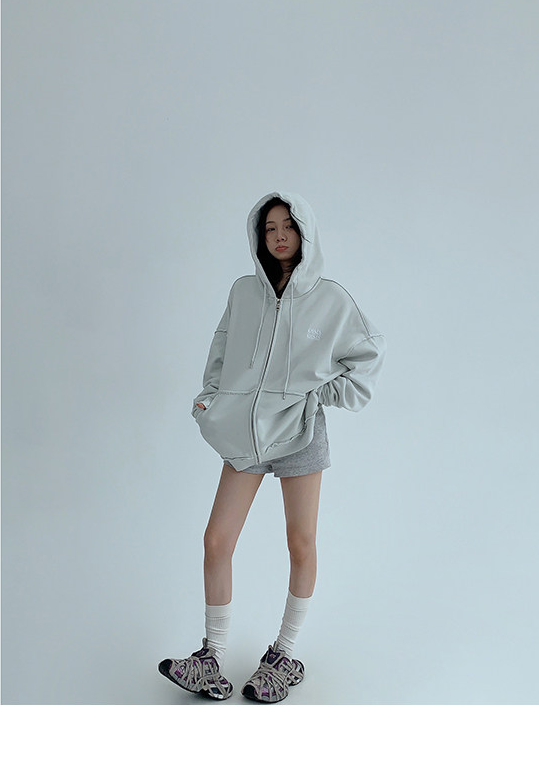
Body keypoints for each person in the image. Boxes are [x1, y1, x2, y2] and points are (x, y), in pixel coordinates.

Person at [158, 191, 386, 702]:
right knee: (216, 540)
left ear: (305, 232)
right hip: (246, 433)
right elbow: (221, 352)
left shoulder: (331, 298)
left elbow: (369, 356)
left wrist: (316, 394)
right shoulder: (244, 292)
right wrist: (211, 399)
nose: (279, 235)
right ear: (259, 236)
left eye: (288, 226)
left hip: (300, 433)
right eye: (269, 228)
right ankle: (210, 658)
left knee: (301, 543)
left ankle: (283, 655)